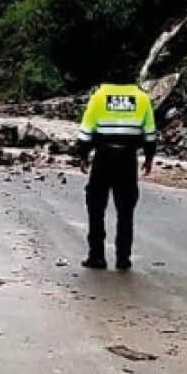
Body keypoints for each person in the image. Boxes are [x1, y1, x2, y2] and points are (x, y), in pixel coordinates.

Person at [74, 81, 157, 270]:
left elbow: (86, 131)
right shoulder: (142, 99)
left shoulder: (99, 97)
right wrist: (149, 158)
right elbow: (150, 134)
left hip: (103, 157)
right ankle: (123, 259)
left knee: (95, 207)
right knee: (126, 211)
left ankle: (96, 256)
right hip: (127, 160)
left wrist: (83, 155)